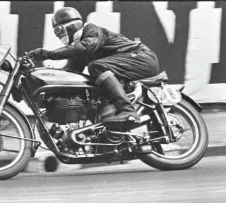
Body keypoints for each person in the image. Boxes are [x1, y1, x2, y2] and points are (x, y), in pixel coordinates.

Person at [29, 7, 160, 130]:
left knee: (96, 66)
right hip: (129, 63)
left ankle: (128, 111)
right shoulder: (78, 51)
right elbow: (69, 75)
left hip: (143, 58)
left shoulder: (92, 31)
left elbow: (85, 47)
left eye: (58, 30)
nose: (57, 35)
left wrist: (49, 54)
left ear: (71, 26)